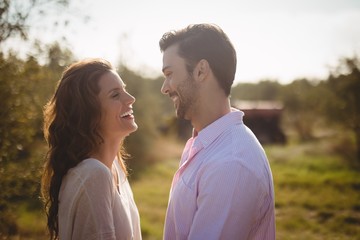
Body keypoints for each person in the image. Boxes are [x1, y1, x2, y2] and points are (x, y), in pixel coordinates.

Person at [159, 23, 276, 239]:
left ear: (201, 71)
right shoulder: (207, 143)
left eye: (169, 74)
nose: (164, 87)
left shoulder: (231, 164)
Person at [41, 58, 142, 240]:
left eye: (124, 90)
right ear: (89, 114)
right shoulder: (94, 175)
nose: (130, 98)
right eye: (115, 95)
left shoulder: (116, 168)